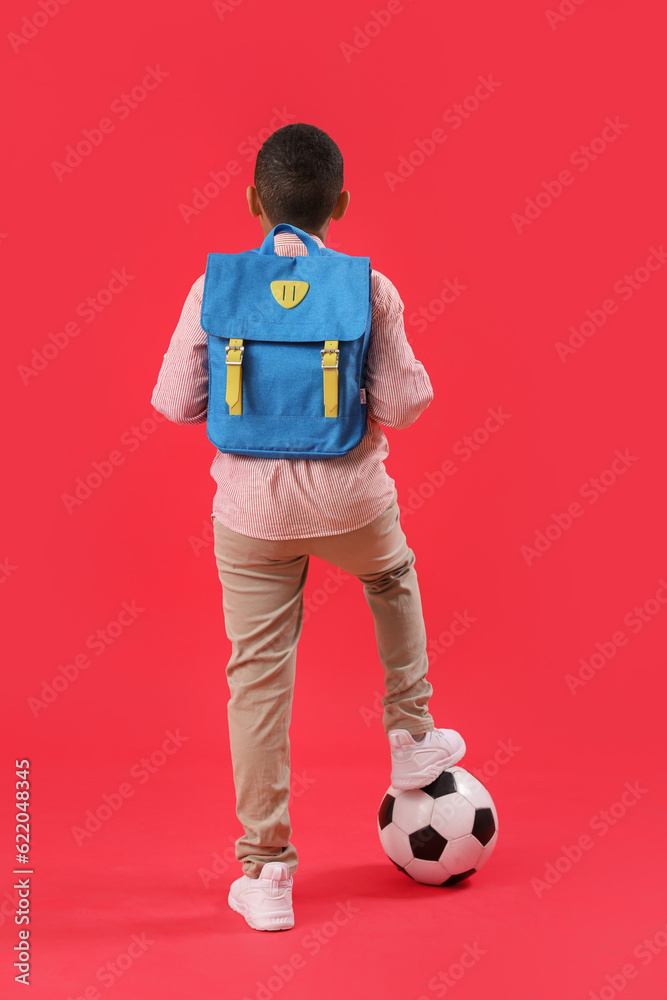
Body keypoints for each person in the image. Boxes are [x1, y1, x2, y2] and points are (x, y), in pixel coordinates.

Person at [151, 122, 466, 932]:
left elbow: (175, 404)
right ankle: (409, 732)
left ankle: (266, 874)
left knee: (256, 681)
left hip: (249, 517)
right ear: (341, 206)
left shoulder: (211, 287)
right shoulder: (368, 287)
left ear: (254, 202)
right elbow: (405, 404)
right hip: (352, 503)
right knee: (390, 576)